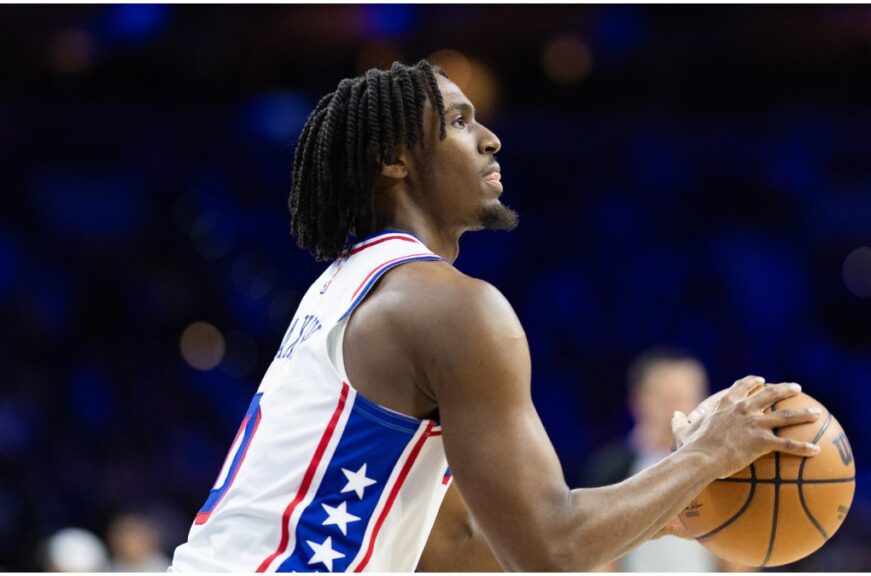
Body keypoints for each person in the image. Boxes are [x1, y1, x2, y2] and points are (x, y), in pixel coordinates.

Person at [169, 60, 822, 572]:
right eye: (457, 122)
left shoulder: (343, 289)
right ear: (395, 159)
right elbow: (551, 552)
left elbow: (454, 548)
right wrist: (709, 454)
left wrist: (660, 506)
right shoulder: (449, 306)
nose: (490, 138)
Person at [584, 348, 746, 572]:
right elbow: (597, 557)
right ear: (637, 401)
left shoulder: (721, 471)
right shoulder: (611, 469)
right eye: (666, 397)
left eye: (686, 396)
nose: (677, 407)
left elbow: (738, 558)